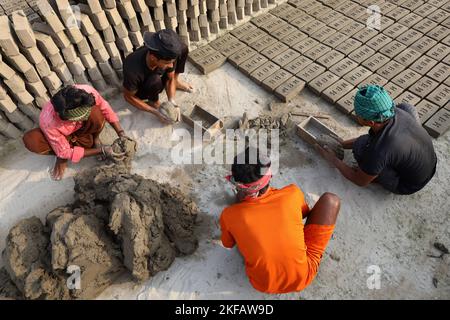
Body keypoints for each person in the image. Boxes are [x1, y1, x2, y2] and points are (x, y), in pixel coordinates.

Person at [219, 147, 340, 293]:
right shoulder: (292, 194)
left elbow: (228, 243)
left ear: (237, 183)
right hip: (302, 276)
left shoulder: (229, 214)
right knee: (331, 200)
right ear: (269, 175)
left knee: (243, 234)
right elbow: (303, 214)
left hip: (262, 283)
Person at [316, 84, 437, 195]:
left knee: (361, 148)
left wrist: (334, 160)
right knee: (407, 107)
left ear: (370, 122)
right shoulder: (397, 112)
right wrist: (341, 143)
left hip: (408, 184)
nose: (355, 114)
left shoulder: (380, 149)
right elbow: (377, 139)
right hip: (427, 163)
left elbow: (360, 181)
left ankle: (378, 178)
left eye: (358, 114)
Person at [23, 84, 127, 181]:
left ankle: (95, 138)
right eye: (76, 119)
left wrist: (121, 132)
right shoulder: (48, 120)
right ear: (62, 116)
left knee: (96, 113)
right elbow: (64, 151)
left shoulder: (86, 93)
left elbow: (106, 109)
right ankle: (60, 156)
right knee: (32, 140)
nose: (81, 119)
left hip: (82, 132)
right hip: (61, 137)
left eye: (83, 116)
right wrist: (102, 151)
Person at [122, 29, 192, 124]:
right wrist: (156, 112)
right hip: (145, 87)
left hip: (158, 75)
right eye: (168, 63)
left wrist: (172, 102)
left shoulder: (166, 55)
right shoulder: (133, 69)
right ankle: (153, 101)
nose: (171, 66)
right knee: (154, 80)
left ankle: (177, 81)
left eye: (172, 62)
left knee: (183, 48)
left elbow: (169, 77)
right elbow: (128, 97)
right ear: (153, 58)